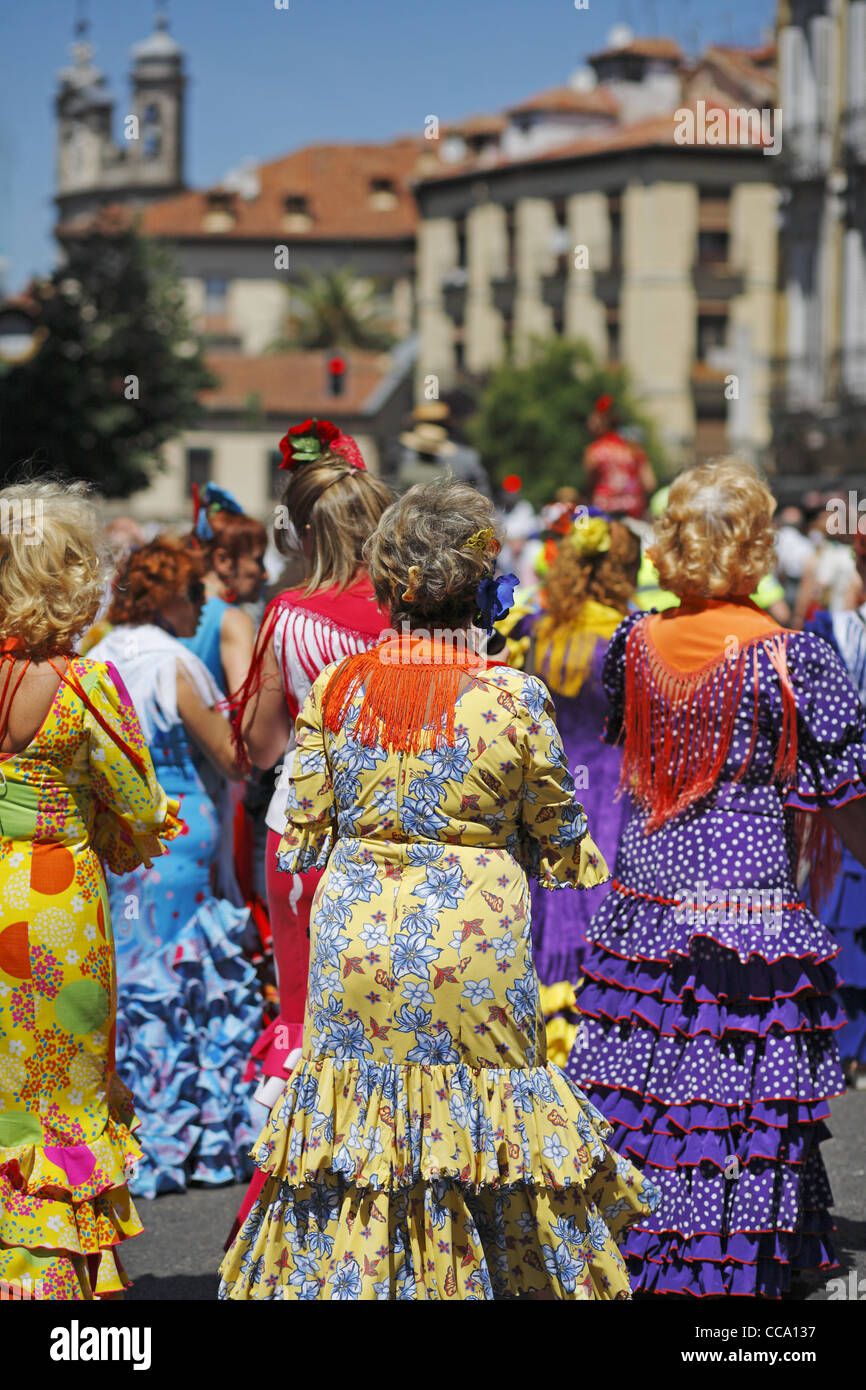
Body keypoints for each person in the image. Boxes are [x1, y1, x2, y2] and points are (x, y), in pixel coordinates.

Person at [219, 477, 659, 1301]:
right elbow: (563, 841)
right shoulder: (512, 694)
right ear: (482, 587)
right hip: (472, 943)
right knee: (489, 1134)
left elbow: (305, 824)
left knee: (360, 1141)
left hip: (359, 943)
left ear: (389, 584)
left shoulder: (339, 690)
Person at [566, 459, 866, 1298]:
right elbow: (845, 791)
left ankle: (642, 1244)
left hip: (647, 898)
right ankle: (728, 1262)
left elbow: (633, 743)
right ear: (756, 545)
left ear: (670, 543)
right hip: (749, 903)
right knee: (734, 1087)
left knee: (652, 1078)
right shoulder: (790, 657)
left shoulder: (631, 644)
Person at [0, 481, 180, 1298]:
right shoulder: (84, 687)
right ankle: (52, 1290)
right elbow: (140, 815)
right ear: (70, 574)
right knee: (62, 1094)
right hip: (57, 914)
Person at [89, 538, 262, 1198]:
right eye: (194, 594)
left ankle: (139, 1135)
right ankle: (204, 1137)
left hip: (117, 838)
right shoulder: (173, 663)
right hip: (179, 834)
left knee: (135, 985)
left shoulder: (96, 658)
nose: (204, 608)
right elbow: (231, 756)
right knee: (193, 980)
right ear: (163, 599)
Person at [515, 509, 640, 1007]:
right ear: (620, 572)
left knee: (554, 902)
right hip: (616, 789)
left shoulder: (539, 630)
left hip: (554, 788)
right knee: (604, 901)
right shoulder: (629, 637)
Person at [806, 527, 866, 1084]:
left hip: (850, 778)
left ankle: (847, 1046)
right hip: (852, 780)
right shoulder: (837, 631)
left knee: (846, 910)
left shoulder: (835, 631)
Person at [182, 483, 268, 696]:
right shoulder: (233, 620)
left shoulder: (173, 608)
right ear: (223, 560)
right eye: (258, 560)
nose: (265, 574)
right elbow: (247, 709)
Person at [584, 394, 656, 520]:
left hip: (604, 510)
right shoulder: (634, 449)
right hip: (633, 509)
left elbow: (589, 483)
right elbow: (650, 484)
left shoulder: (594, 451)